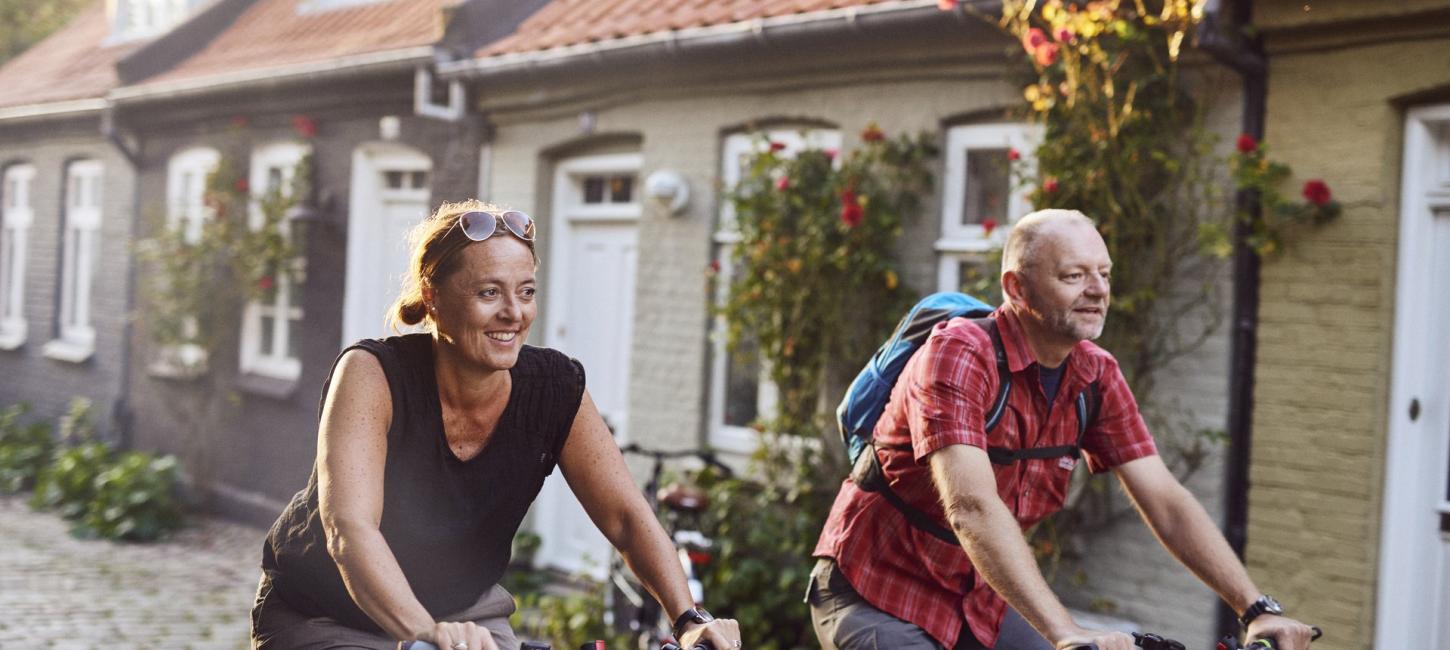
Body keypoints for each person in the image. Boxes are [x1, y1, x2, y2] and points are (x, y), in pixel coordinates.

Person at [809, 209, 1318, 650]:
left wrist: (1255, 608)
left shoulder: (1096, 375)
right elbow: (971, 508)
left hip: (980, 598)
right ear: (1017, 288)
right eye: (1074, 276)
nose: (1097, 291)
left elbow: (1165, 500)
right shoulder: (959, 353)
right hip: (877, 588)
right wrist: (1066, 633)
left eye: (1104, 274)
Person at [250, 200, 742, 650]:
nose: (513, 313)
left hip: (465, 614)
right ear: (433, 295)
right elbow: (349, 529)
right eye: (489, 292)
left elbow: (627, 519)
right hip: (326, 617)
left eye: (525, 292)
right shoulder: (373, 374)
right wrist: (426, 633)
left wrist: (688, 617)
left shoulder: (554, 387)